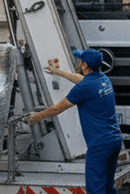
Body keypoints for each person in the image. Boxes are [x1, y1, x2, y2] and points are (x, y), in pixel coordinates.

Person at [26, 49, 122, 194]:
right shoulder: (102, 79)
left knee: (95, 190)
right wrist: (58, 72)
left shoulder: (84, 87)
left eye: (78, 60)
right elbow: (79, 78)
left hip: (99, 146)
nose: (76, 62)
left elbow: (56, 109)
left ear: (84, 66)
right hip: (114, 141)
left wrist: (35, 117)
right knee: (108, 188)